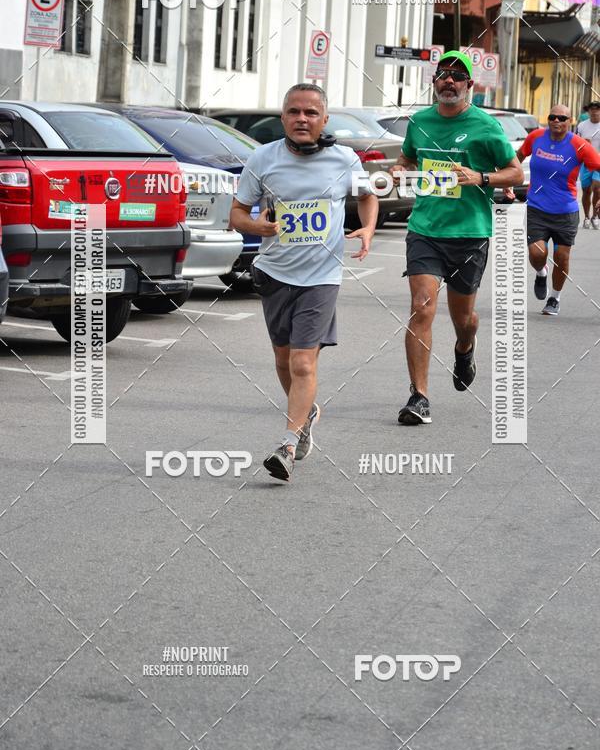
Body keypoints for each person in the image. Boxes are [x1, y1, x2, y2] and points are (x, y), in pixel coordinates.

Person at [230, 84, 378, 480]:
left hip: (321, 277)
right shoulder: (263, 159)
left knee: (301, 360)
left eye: (311, 113)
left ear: (324, 120)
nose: (302, 119)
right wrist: (259, 226)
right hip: (275, 271)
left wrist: (367, 228)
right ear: (283, 117)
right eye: (294, 111)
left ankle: (288, 444)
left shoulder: (343, 158)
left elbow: (367, 196)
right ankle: (307, 412)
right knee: (283, 359)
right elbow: (237, 213)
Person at [391, 50, 523, 425]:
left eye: (457, 75)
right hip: (425, 230)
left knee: (463, 317)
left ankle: (465, 347)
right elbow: (407, 159)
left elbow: (514, 173)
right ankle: (419, 397)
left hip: (469, 233)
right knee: (422, 306)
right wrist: (400, 170)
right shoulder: (419, 121)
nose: (449, 80)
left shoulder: (485, 126)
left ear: (469, 85)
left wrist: (480, 178)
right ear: (434, 82)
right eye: (443, 74)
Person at [518, 104, 600, 315]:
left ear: (569, 121)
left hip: (565, 211)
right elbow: (516, 158)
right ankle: (541, 272)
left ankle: (554, 298)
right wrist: (508, 179)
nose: (556, 121)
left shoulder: (579, 145)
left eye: (562, 118)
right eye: (552, 117)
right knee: (537, 253)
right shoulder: (535, 137)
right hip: (537, 207)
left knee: (562, 257)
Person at [576, 100, 600, 228]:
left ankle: (595, 216)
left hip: (599, 163)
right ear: (588, 111)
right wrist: (584, 144)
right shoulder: (582, 126)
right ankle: (586, 217)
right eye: (592, 108)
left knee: (597, 188)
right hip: (586, 163)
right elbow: (575, 144)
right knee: (586, 191)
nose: (594, 111)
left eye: (597, 108)